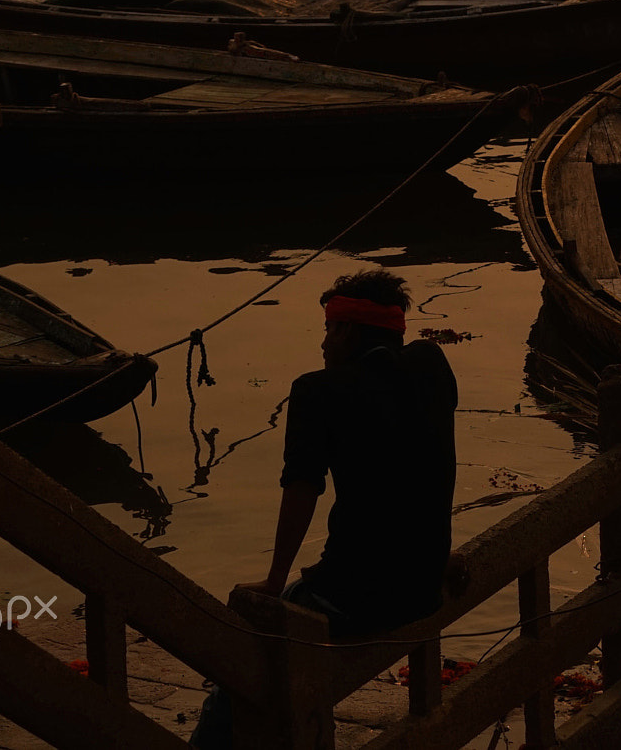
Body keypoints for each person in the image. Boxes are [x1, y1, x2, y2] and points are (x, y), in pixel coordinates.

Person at [191, 268, 458, 748]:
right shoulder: (432, 365)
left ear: (346, 330)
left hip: (354, 598)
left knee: (248, 656)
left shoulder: (318, 391)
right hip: (423, 585)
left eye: (328, 331)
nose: (323, 345)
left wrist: (275, 580)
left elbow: (302, 488)